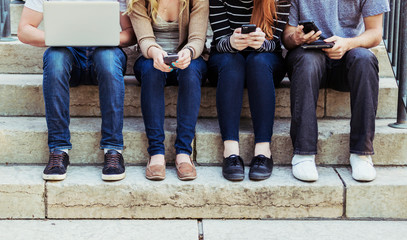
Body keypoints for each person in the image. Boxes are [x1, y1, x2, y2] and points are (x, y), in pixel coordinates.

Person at [17, 0, 136, 181]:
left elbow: (131, 34)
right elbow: (24, 30)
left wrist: (104, 37)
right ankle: (58, 150)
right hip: (69, 58)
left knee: (108, 58)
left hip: (104, 54)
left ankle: (113, 150)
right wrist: (61, 38)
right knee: (55, 57)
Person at [282, 0, 390, 182]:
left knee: (365, 59)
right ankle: (303, 154)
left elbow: (375, 33)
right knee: (307, 61)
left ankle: (361, 154)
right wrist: (297, 38)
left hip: (347, 56)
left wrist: (348, 44)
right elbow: (287, 36)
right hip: (309, 59)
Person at [125, 0, 208, 180]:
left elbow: (197, 38)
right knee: (152, 71)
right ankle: (156, 153)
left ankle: (184, 152)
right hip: (151, 58)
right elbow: (144, 39)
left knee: (191, 71)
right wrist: (155, 53)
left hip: (188, 57)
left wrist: (189, 52)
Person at [208, 0, 290, 181]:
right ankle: (230, 153)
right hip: (225, 59)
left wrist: (259, 43)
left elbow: (275, 43)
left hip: (265, 60)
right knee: (232, 62)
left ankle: (263, 151)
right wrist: (232, 42)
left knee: (258, 62)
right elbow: (220, 40)